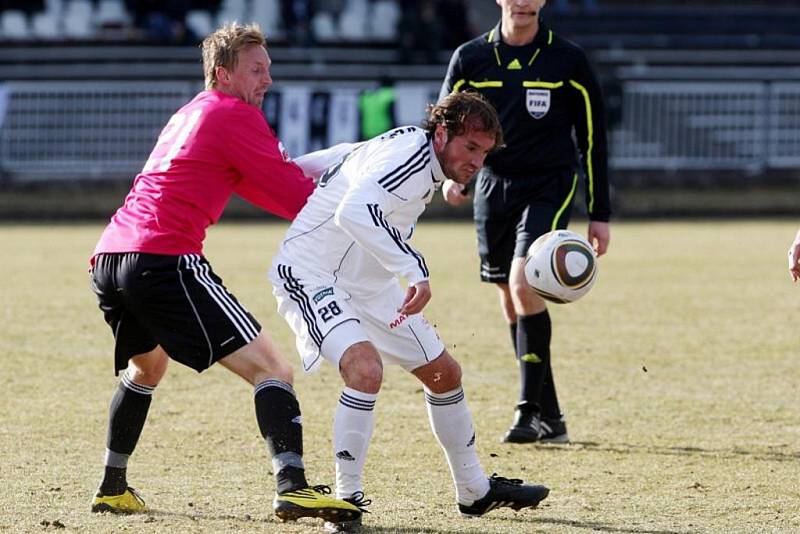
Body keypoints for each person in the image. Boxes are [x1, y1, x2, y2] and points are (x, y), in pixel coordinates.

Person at [87, 22, 361, 525]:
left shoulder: (191, 112)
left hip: (110, 257)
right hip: (164, 259)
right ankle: (293, 487)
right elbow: (291, 196)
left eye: (269, 70)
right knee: (273, 370)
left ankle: (111, 486)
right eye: (257, 70)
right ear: (224, 74)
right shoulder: (234, 115)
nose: (268, 80)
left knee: (146, 368)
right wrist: (350, 181)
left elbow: (260, 187)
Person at [268, 91, 550, 532]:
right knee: (365, 368)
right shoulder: (411, 157)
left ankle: (474, 491)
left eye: (484, 152)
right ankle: (346, 502)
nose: (476, 162)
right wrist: (414, 269)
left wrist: (292, 167)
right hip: (313, 273)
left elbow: (349, 154)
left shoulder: (411, 149)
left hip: (368, 284)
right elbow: (353, 211)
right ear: (442, 133)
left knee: (445, 375)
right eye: (470, 147)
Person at [439, 0, 611, 444]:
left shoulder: (567, 59)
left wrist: (600, 212)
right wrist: (448, 177)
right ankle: (552, 415)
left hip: (548, 185)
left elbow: (593, 137)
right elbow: (444, 126)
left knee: (524, 283)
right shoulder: (470, 58)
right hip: (493, 186)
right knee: (508, 296)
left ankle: (528, 410)